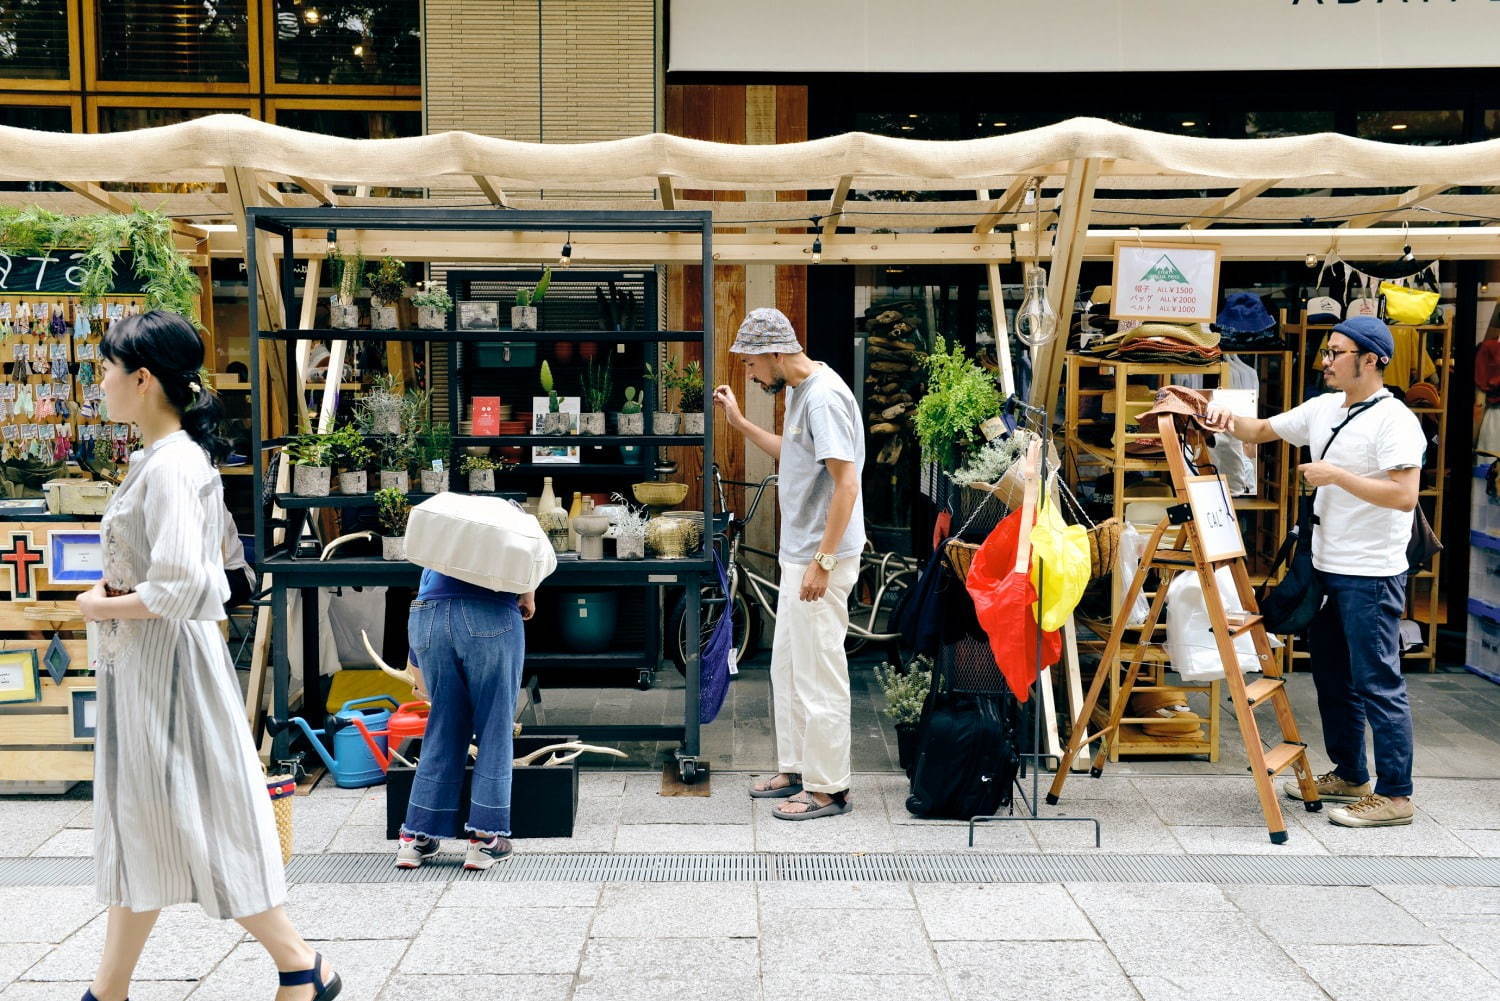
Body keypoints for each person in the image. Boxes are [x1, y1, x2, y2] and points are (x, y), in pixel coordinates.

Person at [79, 310, 339, 1001]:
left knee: (199, 821)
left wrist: (102, 605)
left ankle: (300, 963)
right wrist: (115, 588)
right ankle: (110, 989)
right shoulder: (160, 459)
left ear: (142, 379)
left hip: (168, 671)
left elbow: (189, 584)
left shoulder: (172, 465)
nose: (99, 379)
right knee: (150, 823)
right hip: (152, 669)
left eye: (107, 367)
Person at [1204, 315, 1425, 829]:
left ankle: (1396, 795)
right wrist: (1212, 415)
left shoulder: (1395, 421)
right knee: (1330, 677)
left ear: (1370, 360)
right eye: (1327, 351)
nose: (1325, 361)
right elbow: (1260, 430)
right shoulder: (1325, 408)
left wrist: (1336, 476)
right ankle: (1351, 774)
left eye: (1337, 352)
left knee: (1377, 680)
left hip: (1370, 572)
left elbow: (1404, 496)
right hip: (1325, 565)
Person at [713, 307, 865, 821]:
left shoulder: (822, 397)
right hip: (801, 554)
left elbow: (847, 483)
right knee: (791, 668)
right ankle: (798, 768)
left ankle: (828, 789)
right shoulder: (801, 393)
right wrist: (739, 423)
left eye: (751, 364)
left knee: (820, 673)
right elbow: (795, 455)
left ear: (774, 352)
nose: (750, 375)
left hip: (821, 557)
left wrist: (822, 561)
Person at [393, 567, 535, 870]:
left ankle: (415, 836)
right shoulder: (510, 516)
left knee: (442, 726)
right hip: (488, 611)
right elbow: (528, 558)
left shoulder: (439, 517)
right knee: (495, 727)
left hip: (427, 614)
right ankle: (484, 841)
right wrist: (528, 594)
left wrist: (415, 655)